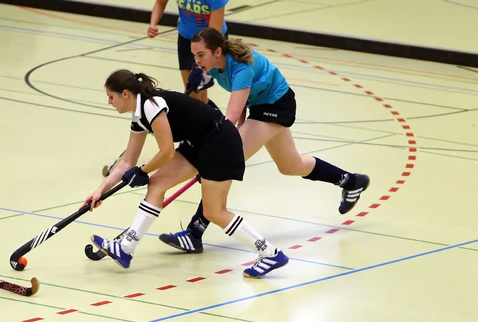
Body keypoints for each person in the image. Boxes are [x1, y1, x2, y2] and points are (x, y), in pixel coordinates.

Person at [158, 27, 371, 255]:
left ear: (218, 51)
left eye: (201, 55)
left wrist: (211, 158)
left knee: (222, 162)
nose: (196, 61)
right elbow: (236, 104)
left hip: (277, 105)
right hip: (259, 105)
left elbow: (229, 118)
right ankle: (350, 181)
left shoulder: (241, 69)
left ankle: (194, 233)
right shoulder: (213, 67)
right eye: (194, 55)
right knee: (291, 165)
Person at [86, 69, 289, 278]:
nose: (110, 102)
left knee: (215, 212)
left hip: (220, 142)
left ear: (125, 94)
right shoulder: (139, 117)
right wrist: (100, 191)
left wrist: (142, 171)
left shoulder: (151, 105)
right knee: (157, 183)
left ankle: (270, 253)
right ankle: (126, 248)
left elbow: (166, 152)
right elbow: (128, 161)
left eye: (111, 97)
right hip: (198, 143)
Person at [147, 0, 228, 107]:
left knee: (195, 91)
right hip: (186, 38)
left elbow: (213, 32)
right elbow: (160, 2)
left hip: (210, 42)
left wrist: (202, 57)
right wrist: (153, 24)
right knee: (194, 93)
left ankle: (215, 120)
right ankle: (212, 120)